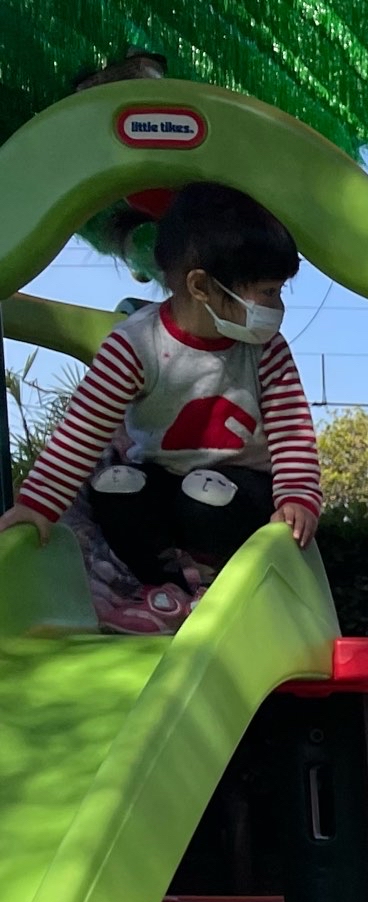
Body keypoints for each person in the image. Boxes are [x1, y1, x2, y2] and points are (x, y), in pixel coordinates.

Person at [0, 183, 320, 627]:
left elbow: (291, 432)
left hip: (240, 491)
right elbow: (81, 432)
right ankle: (159, 587)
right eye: (266, 292)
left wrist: (298, 497)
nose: (277, 306)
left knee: (205, 495)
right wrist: (37, 505)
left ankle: (216, 584)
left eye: (279, 291)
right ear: (201, 285)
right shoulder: (137, 344)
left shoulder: (266, 350)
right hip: (164, 483)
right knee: (115, 485)